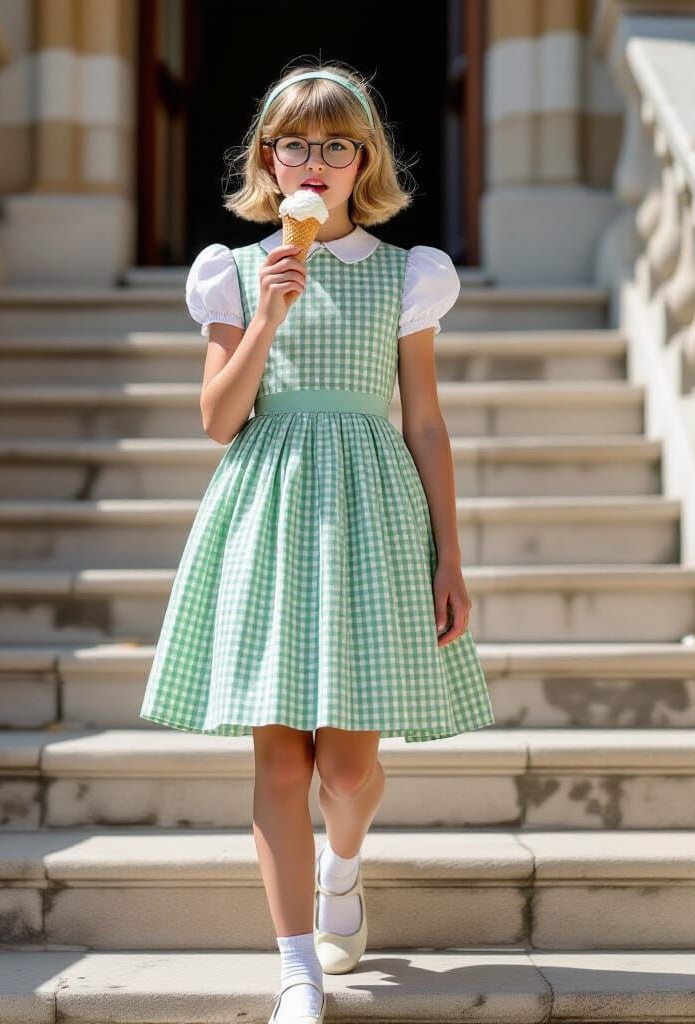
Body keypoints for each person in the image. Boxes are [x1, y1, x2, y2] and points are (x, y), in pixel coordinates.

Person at [139, 61, 495, 1024]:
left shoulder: (406, 274)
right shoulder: (236, 268)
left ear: (362, 161)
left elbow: (424, 421)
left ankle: (345, 863)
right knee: (281, 761)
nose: (315, 160)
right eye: (296, 144)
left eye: (337, 145)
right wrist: (266, 314)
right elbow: (219, 419)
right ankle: (297, 968)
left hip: (373, 518)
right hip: (267, 512)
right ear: (269, 158)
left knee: (344, 769)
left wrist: (450, 558)